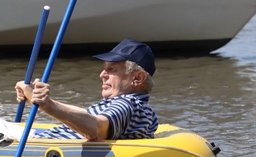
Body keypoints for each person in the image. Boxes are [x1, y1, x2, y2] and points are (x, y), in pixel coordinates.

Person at [15, 38, 159, 141]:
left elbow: (96, 129)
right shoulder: (140, 109)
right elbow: (85, 115)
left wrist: (48, 105)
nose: (102, 75)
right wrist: (39, 100)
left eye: (111, 69)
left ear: (137, 78)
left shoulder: (127, 104)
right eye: (104, 69)